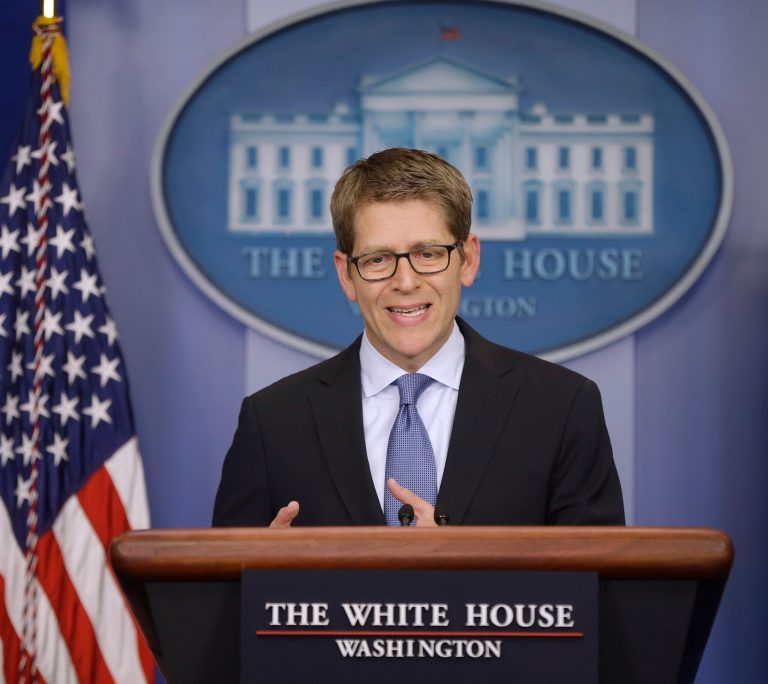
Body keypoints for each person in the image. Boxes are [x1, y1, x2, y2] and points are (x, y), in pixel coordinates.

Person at [212, 148, 624, 528]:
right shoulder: (273, 422)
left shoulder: (561, 408)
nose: (405, 282)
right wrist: (261, 574)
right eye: (378, 259)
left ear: (468, 260)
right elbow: (220, 597)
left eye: (428, 254)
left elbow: (598, 595)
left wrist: (459, 566)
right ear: (346, 274)